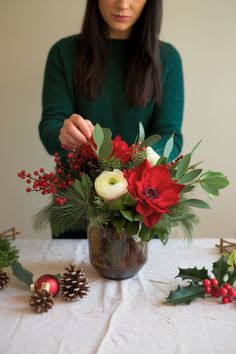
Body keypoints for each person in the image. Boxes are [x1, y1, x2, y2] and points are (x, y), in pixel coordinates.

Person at [39, 0, 184, 238]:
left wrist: (133, 165)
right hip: (77, 209)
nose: (123, 4)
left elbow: (170, 136)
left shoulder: (166, 58)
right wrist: (63, 133)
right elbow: (50, 127)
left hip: (141, 210)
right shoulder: (64, 53)